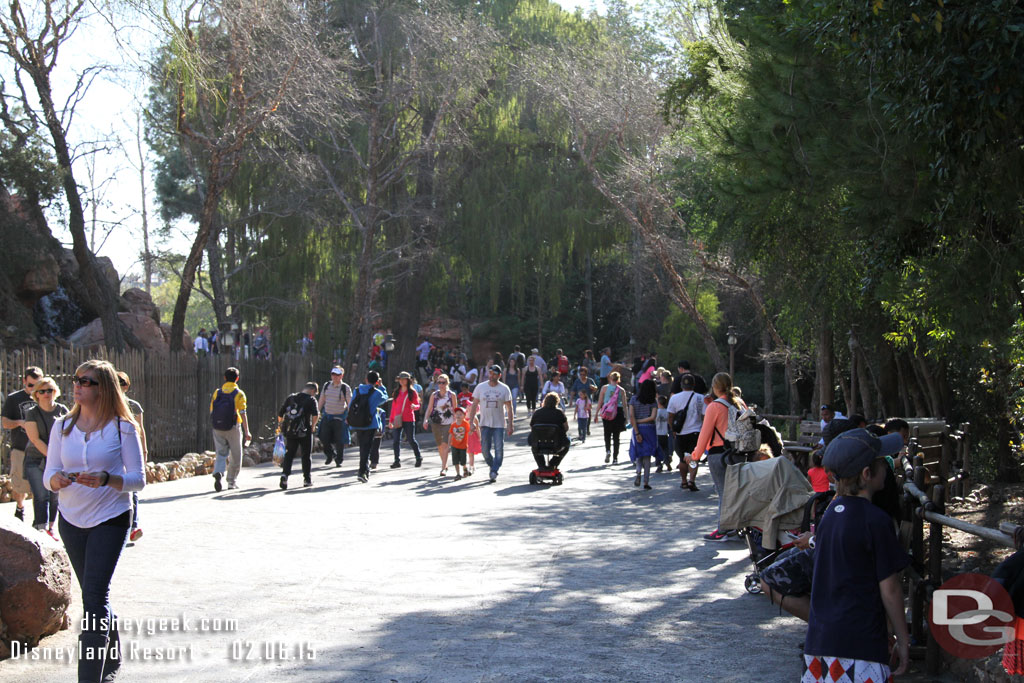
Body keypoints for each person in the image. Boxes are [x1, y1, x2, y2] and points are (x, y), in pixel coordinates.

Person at [44, 359, 145, 682]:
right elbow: (48, 474)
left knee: (94, 597)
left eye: (87, 381)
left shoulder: (123, 427)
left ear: (104, 389)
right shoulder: (62, 427)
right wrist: (56, 481)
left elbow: (138, 479)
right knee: (93, 593)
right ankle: (111, 659)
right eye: (76, 379)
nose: (78, 385)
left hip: (110, 517)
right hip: (70, 519)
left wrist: (106, 479)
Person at [803, 428, 909, 682]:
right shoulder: (876, 521)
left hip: (820, 643)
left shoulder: (829, 516)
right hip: (862, 645)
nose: (887, 467)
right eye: (883, 463)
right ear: (867, 474)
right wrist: (904, 641)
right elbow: (891, 589)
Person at [684, 372, 745, 541]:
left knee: (723, 492)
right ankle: (738, 526)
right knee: (738, 491)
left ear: (715, 387)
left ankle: (723, 528)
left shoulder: (715, 407)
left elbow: (704, 435)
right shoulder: (739, 403)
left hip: (719, 454)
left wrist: (695, 456)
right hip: (739, 453)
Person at [22, 376, 68, 537]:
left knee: (55, 494)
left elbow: (70, 434)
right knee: (41, 494)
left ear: (55, 392)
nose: (46, 394)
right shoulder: (32, 413)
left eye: (50, 390)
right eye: (42, 391)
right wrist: (53, 457)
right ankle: (40, 530)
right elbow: (34, 439)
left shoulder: (62, 410)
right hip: (36, 459)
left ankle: (50, 528)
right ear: (37, 394)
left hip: (58, 460)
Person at [2, 365, 42, 522]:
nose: (34, 389)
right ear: (24, 381)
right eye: (30, 385)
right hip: (20, 447)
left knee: (40, 487)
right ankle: (20, 507)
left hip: (40, 449)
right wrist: (20, 422)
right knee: (20, 485)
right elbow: (5, 423)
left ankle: (39, 519)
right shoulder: (14, 399)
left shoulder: (44, 396)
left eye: (37, 385)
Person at [468, 365, 515, 483]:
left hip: (499, 424)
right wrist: (471, 422)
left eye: (494, 374)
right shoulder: (480, 387)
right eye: (490, 373)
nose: (491, 376)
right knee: (484, 450)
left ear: (499, 375)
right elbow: (474, 405)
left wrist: (510, 424)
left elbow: (509, 408)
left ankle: (494, 470)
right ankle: (493, 465)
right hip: (484, 423)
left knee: (499, 449)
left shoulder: (504, 388)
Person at [117, 372, 148, 543]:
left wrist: (144, 452)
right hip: (114, 450)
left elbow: (140, 430)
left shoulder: (134, 406)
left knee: (133, 488)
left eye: (121, 382)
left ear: (126, 386)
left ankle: (134, 525)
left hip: (130, 449)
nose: (119, 385)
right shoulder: (106, 404)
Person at [209, 367, 251, 491]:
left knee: (221, 453)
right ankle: (231, 481)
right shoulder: (239, 394)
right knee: (236, 455)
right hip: (233, 427)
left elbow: (212, 410)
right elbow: (243, 413)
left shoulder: (218, 392)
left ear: (225, 378)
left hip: (217, 427)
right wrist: (247, 431)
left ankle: (219, 472)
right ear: (237, 379)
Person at [277, 382, 320, 489]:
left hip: (291, 431)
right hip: (305, 431)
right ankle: (307, 479)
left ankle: (285, 475)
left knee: (289, 454)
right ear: (313, 391)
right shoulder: (311, 399)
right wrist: (313, 426)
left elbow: (280, 414)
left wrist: (281, 426)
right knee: (306, 455)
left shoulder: (291, 397)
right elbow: (315, 415)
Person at [668, 373, 704, 491]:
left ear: (681, 385)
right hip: (695, 431)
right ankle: (691, 480)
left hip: (680, 433)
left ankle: (683, 481)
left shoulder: (674, 398)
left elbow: (670, 416)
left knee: (682, 459)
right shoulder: (700, 398)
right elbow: (704, 416)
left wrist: (673, 429)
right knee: (693, 458)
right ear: (694, 385)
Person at [422, 373, 457, 476]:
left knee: (445, 444)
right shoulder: (434, 395)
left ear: (447, 383)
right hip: (436, 421)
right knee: (439, 445)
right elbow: (429, 408)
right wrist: (425, 420)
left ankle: (443, 468)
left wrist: (457, 422)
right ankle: (444, 464)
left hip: (448, 421)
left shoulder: (451, 395)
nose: (441, 385)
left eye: (443, 382)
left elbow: (455, 409)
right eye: (439, 382)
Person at [628, 379, 660, 490]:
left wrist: (636, 425)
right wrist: (642, 421)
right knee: (647, 456)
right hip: (650, 429)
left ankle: (638, 472)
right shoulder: (653, 401)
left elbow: (631, 416)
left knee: (639, 454)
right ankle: (646, 482)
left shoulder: (633, 400)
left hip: (638, 429)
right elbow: (653, 417)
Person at [318, 366, 351, 467]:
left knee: (339, 440)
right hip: (327, 415)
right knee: (323, 437)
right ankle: (330, 454)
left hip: (339, 417)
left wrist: (349, 417)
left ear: (342, 375)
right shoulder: (327, 385)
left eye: (337, 374)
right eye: (333, 374)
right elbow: (322, 399)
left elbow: (349, 403)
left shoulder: (345, 388)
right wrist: (317, 411)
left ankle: (339, 459)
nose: (335, 376)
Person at [388, 371, 422, 468]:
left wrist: (414, 406)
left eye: (404, 379)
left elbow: (418, 405)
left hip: (409, 418)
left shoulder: (412, 392)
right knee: (396, 440)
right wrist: (391, 420)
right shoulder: (396, 392)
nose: (402, 381)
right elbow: (394, 407)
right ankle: (396, 461)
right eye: (400, 379)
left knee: (411, 439)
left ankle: (418, 457)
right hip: (398, 418)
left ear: (408, 380)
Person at [529, 392, 571, 471]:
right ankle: (553, 464)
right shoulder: (559, 413)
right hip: (556, 442)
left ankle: (541, 465)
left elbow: (532, 427)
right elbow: (566, 428)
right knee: (568, 442)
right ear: (557, 402)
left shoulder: (537, 413)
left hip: (539, 442)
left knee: (533, 445)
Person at [596, 371, 628, 464]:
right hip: (618, 413)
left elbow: (600, 402)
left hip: (607, 413)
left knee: (607, 433)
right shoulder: (621, 390)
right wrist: (626, 417)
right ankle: (615, 458)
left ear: (610, 378)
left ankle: (608, 451)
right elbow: (625, 405)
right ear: (618, 379)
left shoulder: (604, 388)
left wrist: (596, 413)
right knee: (616, 436)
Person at [447, 407, 475, 480]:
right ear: (454, 415)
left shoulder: (466, 424)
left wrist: (473, 429)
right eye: (457, 414)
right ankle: (458, 474)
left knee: (463, 461)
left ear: (464, 416)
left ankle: (465, 468)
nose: (458, 416)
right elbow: (450, 434)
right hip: (454, 446)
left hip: (463, 446)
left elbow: (469, 433)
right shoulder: (453, 425)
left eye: (460, 414)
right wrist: (449, 445)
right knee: (455, 460)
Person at [654, 395, 671, 473]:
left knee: (658, 450)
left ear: (658, 403)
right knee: (666, 449)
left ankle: (659, 465)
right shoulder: (667, 412)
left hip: (657, 433)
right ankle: (667, 461)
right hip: (665, 433)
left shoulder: (656, 412)